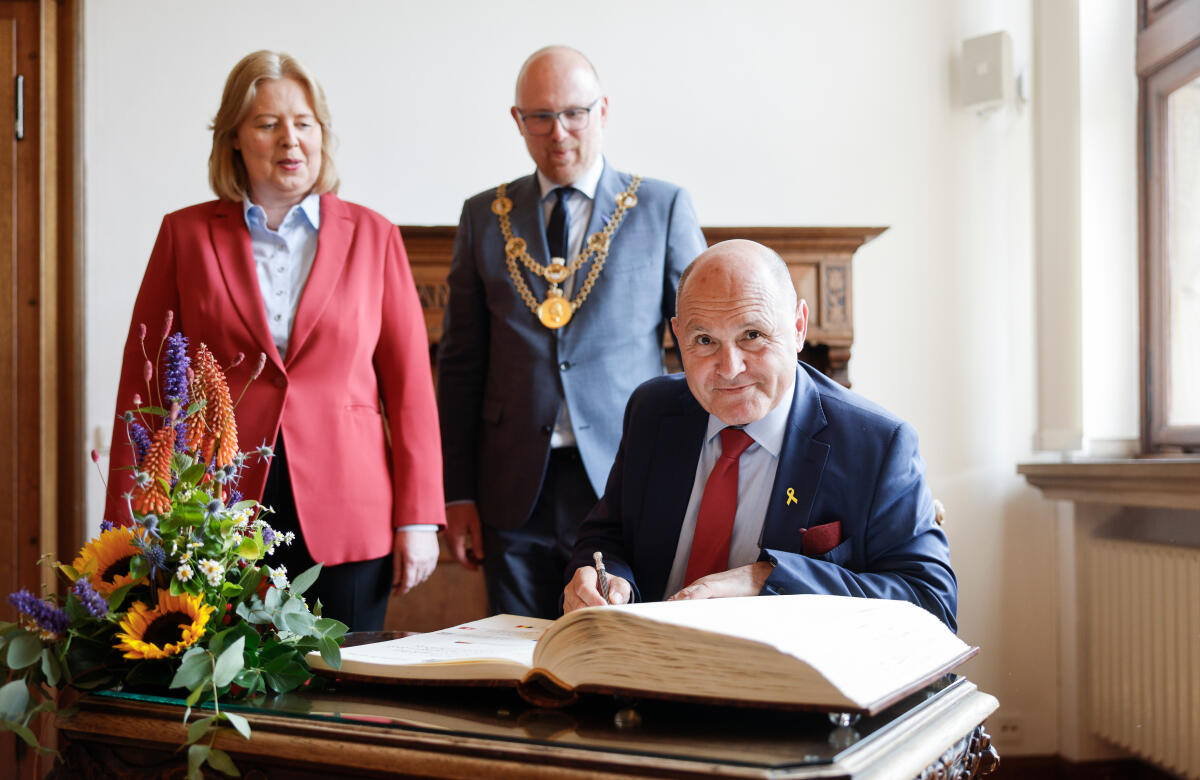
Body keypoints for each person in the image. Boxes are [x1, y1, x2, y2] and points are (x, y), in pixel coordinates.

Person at [105, 50, 444, 631]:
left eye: (304, 123)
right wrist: (129, 519)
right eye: (268, 123)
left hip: (351, 514)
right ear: (234, 137)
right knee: (232, 694)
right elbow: (145, 385)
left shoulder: (374, 235)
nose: (291, 139)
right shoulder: (184, 236)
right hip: (215, 511)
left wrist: (419, 519)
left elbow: (410, 388)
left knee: (345, 694)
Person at [437, 46, 707, 619]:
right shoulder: (484, 216)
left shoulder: (661, 207)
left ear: (602, 110)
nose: (558, 132)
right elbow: (461, 366)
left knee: (615, 651)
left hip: (623, 474)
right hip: (511, 485)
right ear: (518, 121)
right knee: (515, 659)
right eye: (540, 116)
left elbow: (700, 349)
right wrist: (456, 493)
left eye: (574, 113)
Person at [562, 239, 957, 630]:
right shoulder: (653, 409)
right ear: (678, 337)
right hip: (642, 673)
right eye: (704, 341)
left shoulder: (876, 444)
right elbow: (607, 535)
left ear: (799, 327)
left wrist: (767, 580)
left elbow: (932, 603)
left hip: (786, 685)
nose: (730, 368)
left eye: (752, 335)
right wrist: (605, 578)